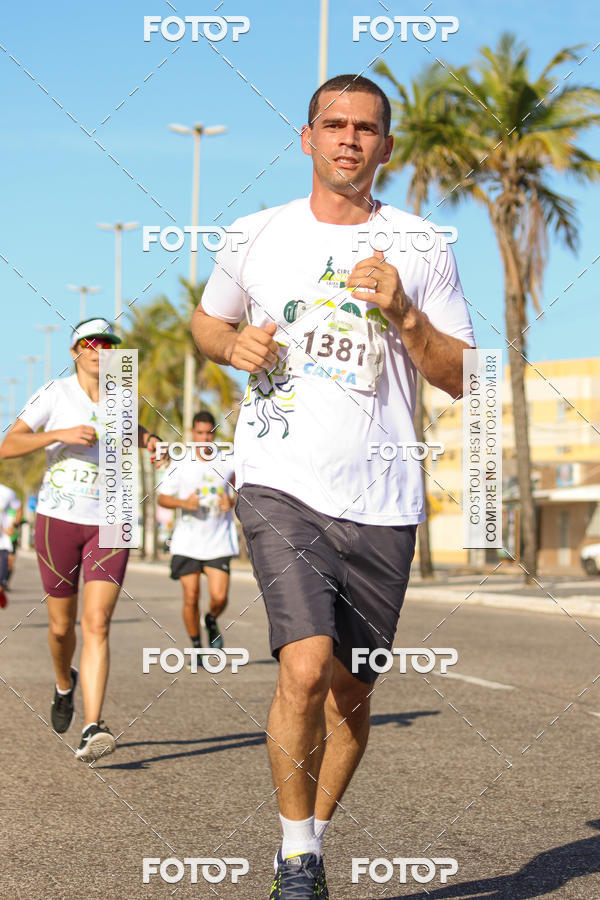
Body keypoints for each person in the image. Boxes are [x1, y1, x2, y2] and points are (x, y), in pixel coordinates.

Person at [191, 73, 475, 899]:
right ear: (307, 136)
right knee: (306, 666)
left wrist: (408, 320)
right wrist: (231, 344)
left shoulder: (423, 246)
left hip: (383, 496)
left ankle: (309, 836)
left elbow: (465, 377)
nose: (350, 139)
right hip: (280, 480)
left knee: (352, 691)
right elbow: (208, 320)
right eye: (335, 124)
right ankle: (297, 856)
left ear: (385, 146)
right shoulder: (254, 235)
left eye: (367, 128)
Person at [0, 317, 163, 761]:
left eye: (108, 344)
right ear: (76, 352)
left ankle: (93, 725)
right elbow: (8, 445)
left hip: (113, 517)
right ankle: (63, 683)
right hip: (58, 518)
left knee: (97, 623)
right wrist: (60, 434)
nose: (100, 350)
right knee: (59, 628)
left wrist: (153, 443)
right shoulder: (55, 394)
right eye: (91, 343)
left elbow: (133, 432)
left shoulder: (123, 397)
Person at [157, 410, 238, 663]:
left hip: (218, 540)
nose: (204, 438)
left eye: (208, 433)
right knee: (190, 595)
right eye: (199, 433)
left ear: (214, 433)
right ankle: (196, 647)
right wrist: (184, 502)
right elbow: (162, 498)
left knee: (219, 597)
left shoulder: (227, 460)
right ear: (193, 433)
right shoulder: (181, 463)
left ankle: (211, 620)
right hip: (188, 542)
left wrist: (231, 499)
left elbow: (242, 488)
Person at [0, 483, 22, 608]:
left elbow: (19, 508)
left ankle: (2, 591)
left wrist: (13, 526)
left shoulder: (6, 492)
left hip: (2, 544)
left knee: (1, 585)